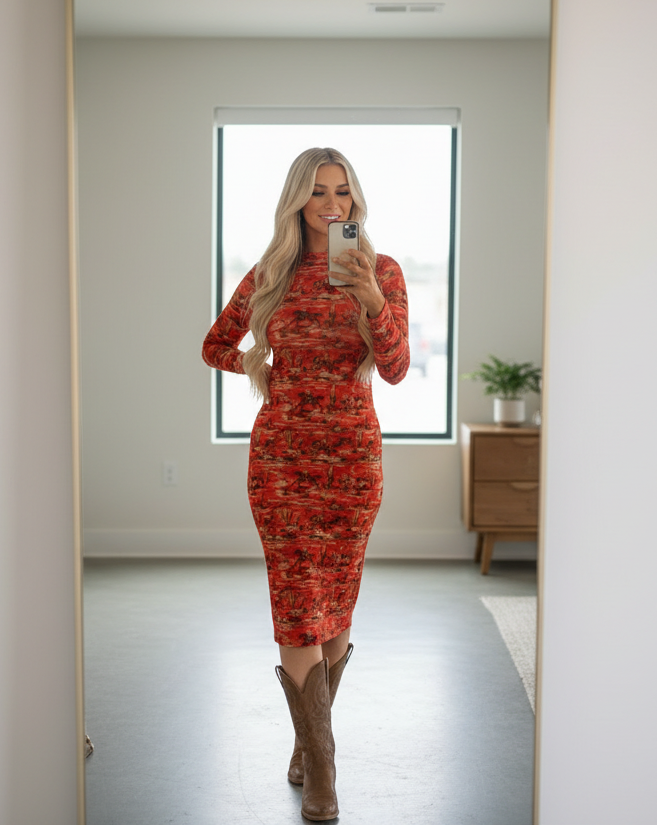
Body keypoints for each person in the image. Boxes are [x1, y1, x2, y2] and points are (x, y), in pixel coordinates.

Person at [202, 147, 409, 821]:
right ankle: (323, 771)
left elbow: (399, 367)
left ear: (355, 201)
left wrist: (373, 303)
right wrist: (259, 364)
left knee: (337, 608)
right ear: (297, 200)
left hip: (352, 461)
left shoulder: (380, 272)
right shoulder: (270, 274)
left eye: (342, 192)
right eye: (318, 192)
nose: (331, 204)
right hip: (282, 461)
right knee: (297, 607)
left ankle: (305, 741)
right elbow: (215, 344)